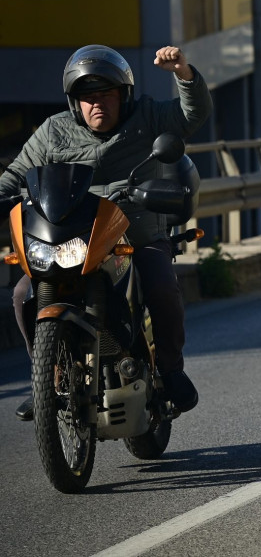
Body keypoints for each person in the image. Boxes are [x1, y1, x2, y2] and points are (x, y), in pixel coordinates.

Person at [2, 44, 212, 420]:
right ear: (74, 102)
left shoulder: (147, 115)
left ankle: (170, 369)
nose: (96, 104)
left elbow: (191, 114)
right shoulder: (53, 131)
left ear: (123, 94)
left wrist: (183, 72)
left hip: (136, 233)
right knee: (22, 292)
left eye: (105, 94)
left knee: (162, 286)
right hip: (71, 238)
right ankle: (48, 380)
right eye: (87, 97)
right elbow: (16, 174)